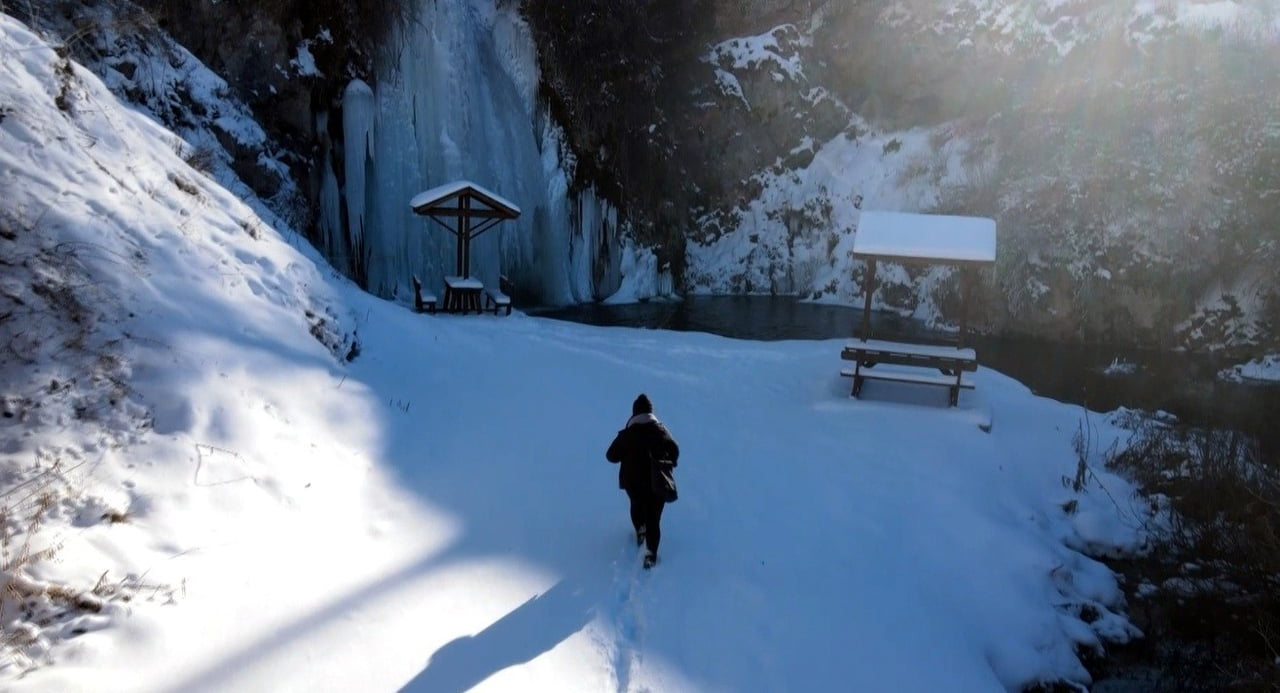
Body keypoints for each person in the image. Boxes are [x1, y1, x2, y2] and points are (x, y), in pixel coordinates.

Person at [606, 393, 679, 569]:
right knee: (654, 519)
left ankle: (640, 531)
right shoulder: (660, 430)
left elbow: (611, 456)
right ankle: (650, 555)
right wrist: (668, 461)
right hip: (658, 482)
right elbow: (675, 450)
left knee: (637, 507)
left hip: (633, 482)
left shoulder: (627, 434)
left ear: (634, 413)